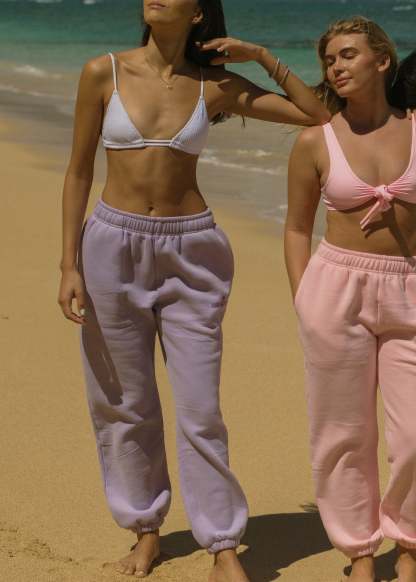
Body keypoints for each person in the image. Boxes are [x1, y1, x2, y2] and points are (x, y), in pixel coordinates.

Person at [58, 0, 329, 579]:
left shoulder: (217, 86)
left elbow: (317, 116)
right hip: (110, 247)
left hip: (193, 252)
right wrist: (67, 264)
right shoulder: (103, 72)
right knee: (123, 402)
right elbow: (79, 170)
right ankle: (146, 530)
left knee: (201, 408)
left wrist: (260, 55)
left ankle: (223, 545)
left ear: (200, 13)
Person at [285, 16, 416, 582]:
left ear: (382, 60)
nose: (335, 66)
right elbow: (296, 228)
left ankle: (408, 544)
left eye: (347, 54)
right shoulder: (315, 141)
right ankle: (360, 552)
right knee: (343, 432)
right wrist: (304, 299)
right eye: (329, 59)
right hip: (336, 289)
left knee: (414, 432)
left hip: (409, 286)